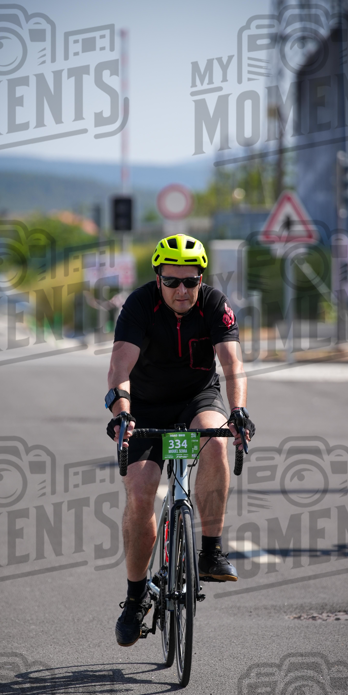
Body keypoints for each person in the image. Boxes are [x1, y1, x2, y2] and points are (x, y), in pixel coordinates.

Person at [104, 233, 255, 647]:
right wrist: (123, 413)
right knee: (139, 493)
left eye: (190, 281)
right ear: (158, 279)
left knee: (217, 438)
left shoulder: (214, 304)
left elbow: (232, 363)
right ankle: (135, 599)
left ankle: (210, 548)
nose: (182, 291)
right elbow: (120, 367)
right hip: (146, 408)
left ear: (201, 278)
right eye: (171, 282)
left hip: (196, 399)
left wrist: (238, 409)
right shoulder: (138, 305)